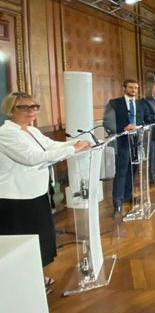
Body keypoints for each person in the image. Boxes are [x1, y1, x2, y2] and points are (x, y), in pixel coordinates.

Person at [0, 92, 90, 294]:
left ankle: (36, 278)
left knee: (40, 240)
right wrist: (73, 149)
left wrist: (77, 144)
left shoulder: (31, 131)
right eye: (25, 107)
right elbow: (32, 158)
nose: (32, 111)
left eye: (34, 106)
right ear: (11, 110)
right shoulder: (6, 133)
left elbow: (50, 145)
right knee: (23, 243)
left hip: (35, 194)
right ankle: (25, 283)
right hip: (16, 198)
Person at [103, 79, 145, 217]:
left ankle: (128, 195)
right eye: (131, 87)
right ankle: (118, 202)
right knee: (121, 171)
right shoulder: (114, 103)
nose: (134, 90)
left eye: (136, 88)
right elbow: (107, 122)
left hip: (137, 141)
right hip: (122, 142)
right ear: (124, 88)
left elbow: (145, 119)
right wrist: (123, 128)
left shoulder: (140, 103)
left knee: (133, 170)